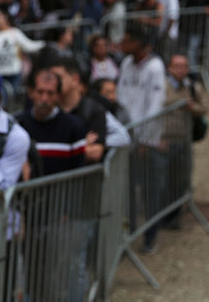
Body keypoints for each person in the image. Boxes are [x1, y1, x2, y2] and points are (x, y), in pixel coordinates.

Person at [117, 25, 166, 254]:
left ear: (140, 44)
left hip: (146, 140)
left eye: (128, 40)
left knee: (149, 191)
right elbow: (120, 97)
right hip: (126, 135)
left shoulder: (155, 67)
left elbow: (154, 105)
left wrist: (146, 139)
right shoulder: (126, 64)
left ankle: (150, 236)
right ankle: (129, 232)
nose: (123, 44)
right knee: (126, 191)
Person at [17, 69, 98, 174]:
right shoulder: (18, 124)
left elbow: (79, 168)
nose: (44, 98)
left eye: (50, 93)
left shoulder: (73, 126)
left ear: (58, 96)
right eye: (40, 92)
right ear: (31, 93)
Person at [0, 6, 45, 91]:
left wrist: (45, 44)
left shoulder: (14, 32)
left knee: (11, 98)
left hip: (14, 73)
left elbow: (29, 46)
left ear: (4, 17)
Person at [49, 58, 107, 163]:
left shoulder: (93, 110)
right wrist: (81, 146)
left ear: (75, 80)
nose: (53, 83)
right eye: (50, 78)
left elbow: (95, 153)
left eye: (59, 78)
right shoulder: (49, 109)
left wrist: (57, 151)